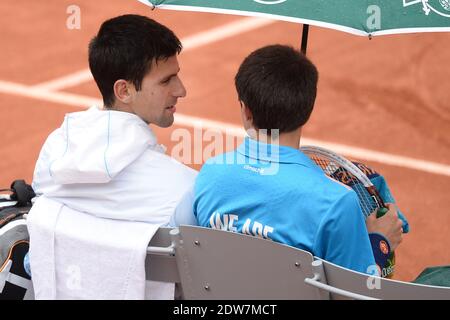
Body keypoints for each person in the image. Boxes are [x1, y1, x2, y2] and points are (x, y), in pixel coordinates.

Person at [182, 44, 406, 275]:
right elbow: (359, 294)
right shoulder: (337, 202)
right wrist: (380, 243)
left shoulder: (210, 175)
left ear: (246, 110)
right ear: (307, 111)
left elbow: (191, 252)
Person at [27, 15, 197, 299]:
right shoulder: (185, 189)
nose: (181, 90)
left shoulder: (50, 162)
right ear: (124, 90)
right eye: (168, 80)